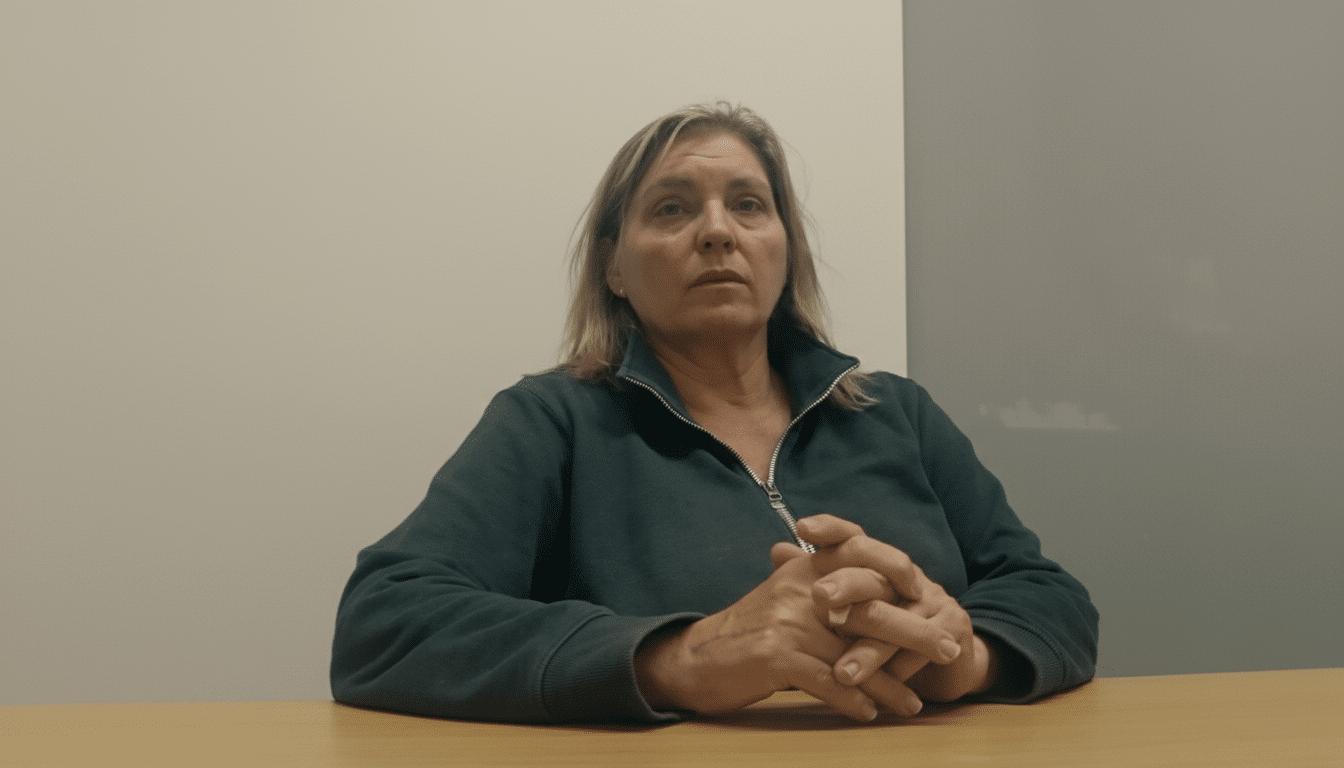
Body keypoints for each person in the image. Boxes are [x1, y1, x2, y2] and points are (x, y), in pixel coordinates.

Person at [330, 102, 1098, 724]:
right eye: (671, 208)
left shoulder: (898, 412)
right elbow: (384, 626)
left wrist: (966, 656)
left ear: (785, 250)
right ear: (614, 268)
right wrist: (680, 658)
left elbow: (1051, 599)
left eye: (748, 206)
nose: (718, 231)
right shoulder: (551, 422)